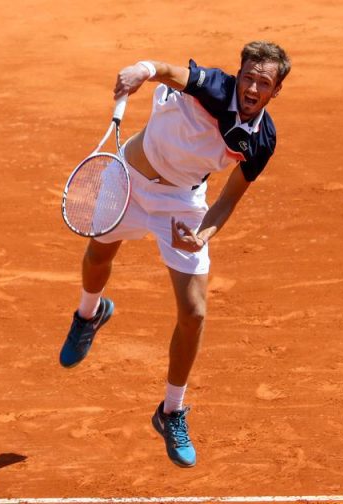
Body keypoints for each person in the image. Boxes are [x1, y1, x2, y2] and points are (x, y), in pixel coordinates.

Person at [59, 41, 291, 468]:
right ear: (238, 75)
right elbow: (167, 71)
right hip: (128, 179)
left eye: (263, 83)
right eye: (248, 77)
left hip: (181, 204)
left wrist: (202, 236)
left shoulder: (262, 141)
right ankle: (89, 314)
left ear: (276, 91)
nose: (252, 88)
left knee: (195, 312)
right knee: (98, 258)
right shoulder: (214, 87)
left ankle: (171, 410)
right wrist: (141, 69)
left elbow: (229, 197)